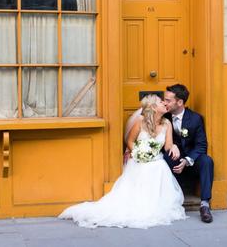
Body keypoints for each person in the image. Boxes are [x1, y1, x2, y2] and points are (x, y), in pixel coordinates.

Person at [59, 94, 186, 229]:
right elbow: (130, 141)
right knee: (141, 174)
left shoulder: (167, 124)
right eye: (161, 102)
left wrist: (174, 146)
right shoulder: (140, 122)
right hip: (138, 162)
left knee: (159, 167)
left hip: (157, 162)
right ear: (154, 107)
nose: (165, 104)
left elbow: (167, 146)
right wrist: (138, 153)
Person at [163, 84, 214, 223]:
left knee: (207, 161)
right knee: (164, 159)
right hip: (172, 159)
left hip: (191, 160)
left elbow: (201, 145)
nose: (164, 102)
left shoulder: (195, 118)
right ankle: (170, 201)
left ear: (179, 102)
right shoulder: (163, 116)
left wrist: (187, 160)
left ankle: (204, 205)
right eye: (164, 99)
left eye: (168, 100)